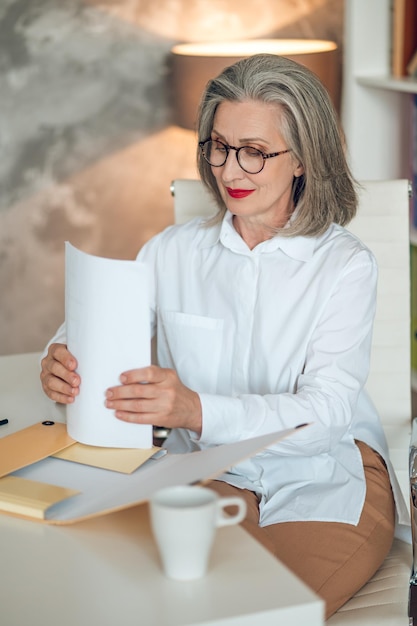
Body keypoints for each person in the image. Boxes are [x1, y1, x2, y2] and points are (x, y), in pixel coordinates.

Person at [40, 53, 408, 619]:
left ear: (303, 158)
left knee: (266, 611)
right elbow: (101, 327)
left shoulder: (345, 266)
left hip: (325, 475)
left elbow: (326, 414)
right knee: (156, 601)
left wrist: (196, 410)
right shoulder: (173, 251)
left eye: (255, 152)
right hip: (205, 470)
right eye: (218, 146)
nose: (229, 171)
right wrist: (61, 357)